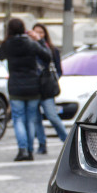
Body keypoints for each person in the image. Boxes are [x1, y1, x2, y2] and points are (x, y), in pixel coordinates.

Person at [0, 17, 51, 162]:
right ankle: (31, 151)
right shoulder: (30, 44)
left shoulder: (8, 44)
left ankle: (22, 150)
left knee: (18, 119)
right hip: (33, 86)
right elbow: (47, 56)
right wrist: (38, 40)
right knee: (31, 120)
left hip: (15, 87)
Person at [29, 23, 68, 154]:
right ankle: (42, 144)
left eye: (41, 32)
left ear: (45, 34)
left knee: (52, 116)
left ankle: (67, 142)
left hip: (46, 88)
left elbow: (58, 69)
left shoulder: (51, 49)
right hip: (33, 87)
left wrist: (53, 79)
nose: (39, 35)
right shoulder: (29, 48)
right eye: (36, 32)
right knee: (36, 119)